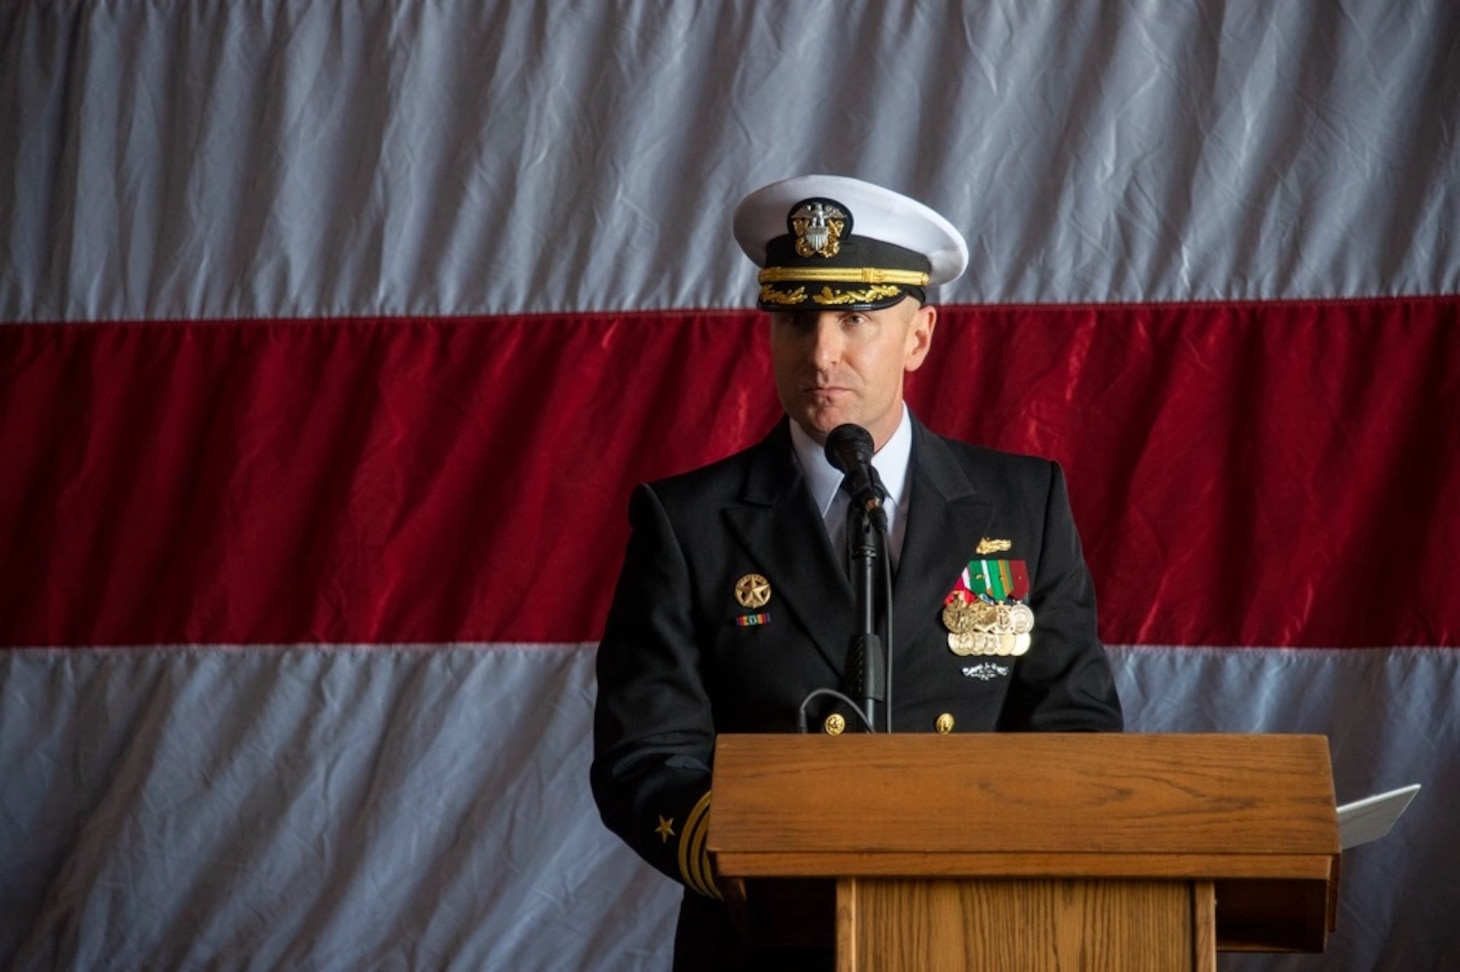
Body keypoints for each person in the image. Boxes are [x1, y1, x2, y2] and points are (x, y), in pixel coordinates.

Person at [591, 174, 1123, 969]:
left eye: (856, 317)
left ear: (919, 336)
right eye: (798, 319)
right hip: (767, 939)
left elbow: (1075, 724)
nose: (822, 353)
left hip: (978, 936)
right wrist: (762, 862)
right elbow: (645, 753)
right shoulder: (688, 523)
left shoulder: (1023, 505)